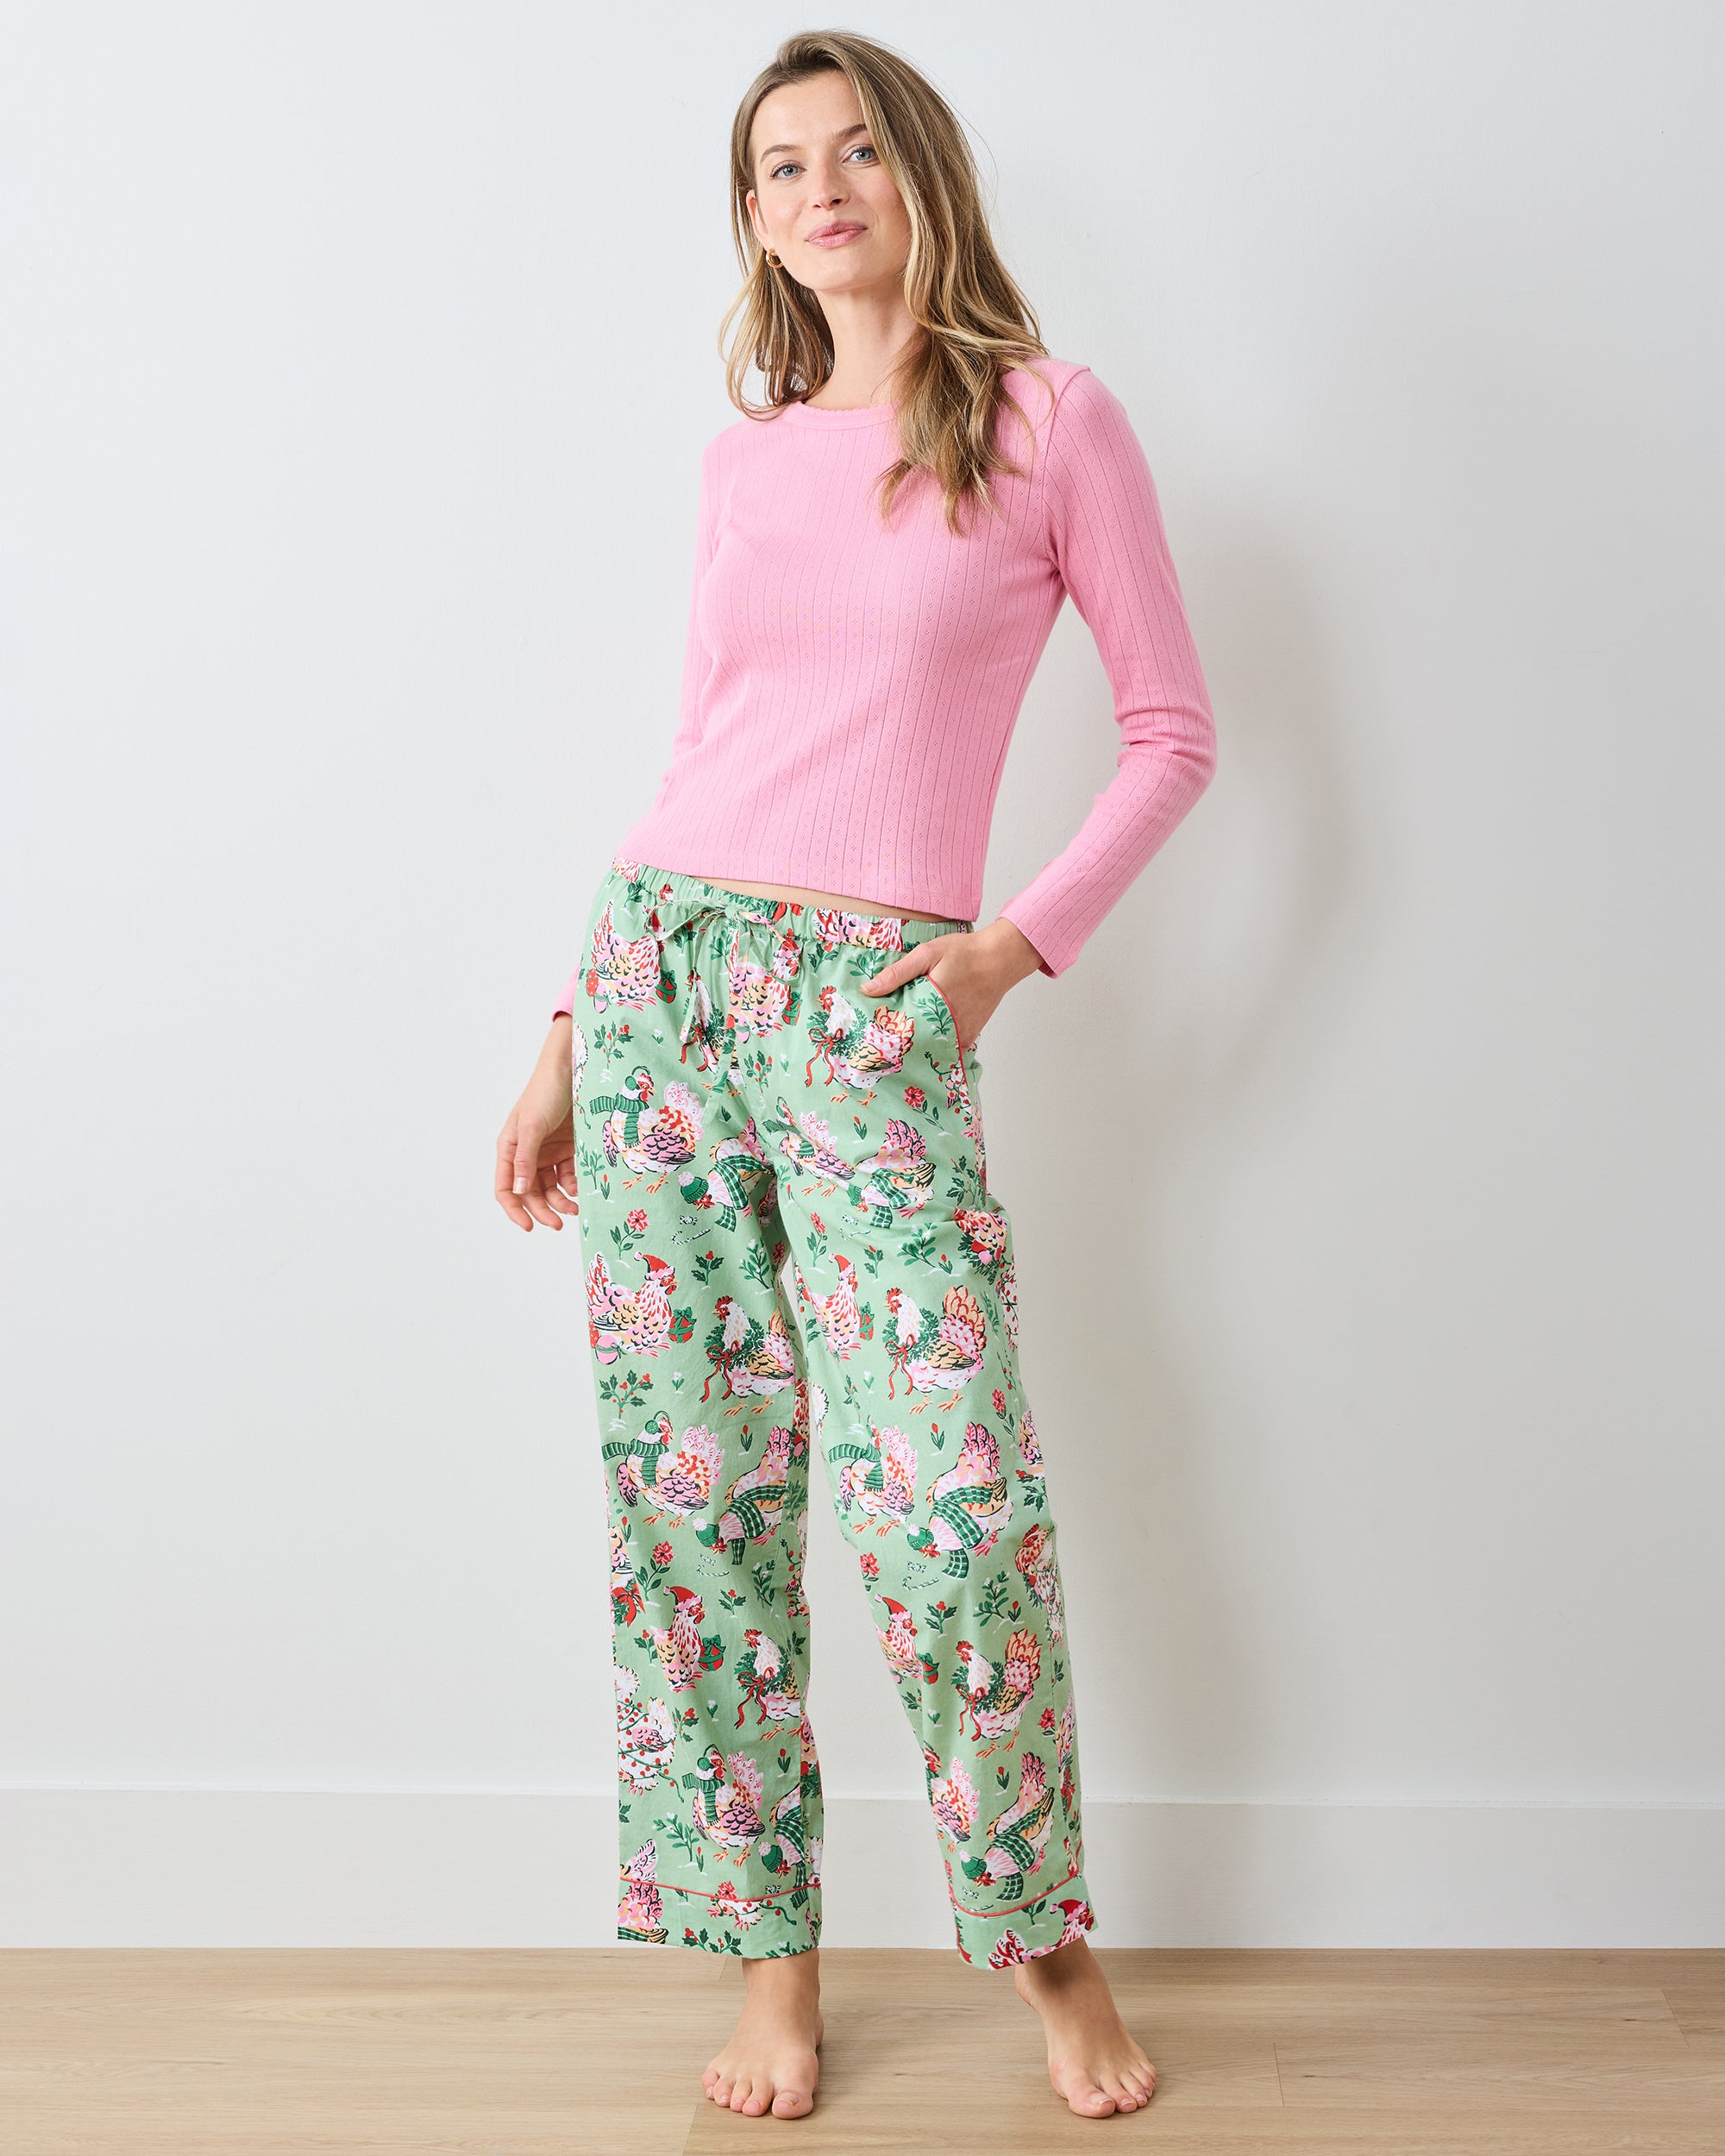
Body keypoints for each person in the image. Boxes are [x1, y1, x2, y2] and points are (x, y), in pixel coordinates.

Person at [496, 29, 1215, 2124]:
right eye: (777, 166)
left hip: (875, 1007)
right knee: (697, 1491)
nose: (818, 190)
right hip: (661, 981)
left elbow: (1171, 733)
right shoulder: (745, 460)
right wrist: (567, 1027)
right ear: (753, 217)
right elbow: (702, 751)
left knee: (951, 1498)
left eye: (855, 151)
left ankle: (1046, 1945)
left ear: (923, 177)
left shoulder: (1048, 419)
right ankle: (771, 1965)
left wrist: (1004, 950)